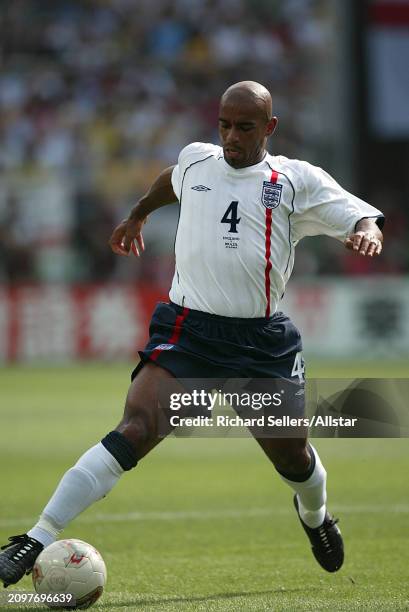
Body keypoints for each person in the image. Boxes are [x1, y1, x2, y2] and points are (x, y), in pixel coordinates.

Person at [0, 81, 384, 585]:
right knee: (134, 429)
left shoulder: (295, 180)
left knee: (293, 456)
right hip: (191, 331)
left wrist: (367, 232)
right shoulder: (197, 161)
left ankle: (315, 517)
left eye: (244, 128)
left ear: (269, 127)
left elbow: (358, 212)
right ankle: (36, 537)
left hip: (259, 343)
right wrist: (138, 212)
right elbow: (170, 180)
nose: (231, 137)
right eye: (224, 125)